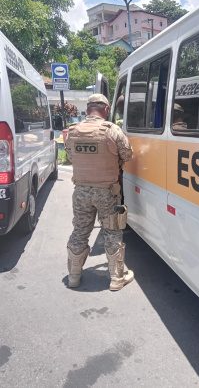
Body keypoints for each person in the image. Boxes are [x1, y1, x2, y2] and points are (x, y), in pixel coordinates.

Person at [65, 93, 133, 291]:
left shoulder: (73, 131)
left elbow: (70, 156)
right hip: (107, 192)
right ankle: (116, 279)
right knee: (112, 232)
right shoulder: (111, 130)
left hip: (81, 192)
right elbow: (127, 155)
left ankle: (74, 277)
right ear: (106, 109)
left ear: (87, 109)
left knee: (80, 231)